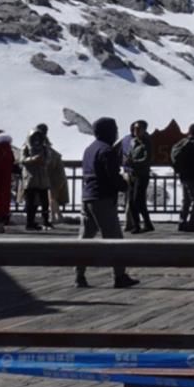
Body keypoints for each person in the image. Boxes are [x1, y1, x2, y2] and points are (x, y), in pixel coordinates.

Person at [76, 116, 137, 289]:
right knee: (114, 239)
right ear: (109, 131)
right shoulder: (107, 151)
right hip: (102, 199)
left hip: (87, 197)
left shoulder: (89, 149)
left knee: (85, 239)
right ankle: (119, 275)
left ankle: (79, 275)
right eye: (115, 128)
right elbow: (112, 176)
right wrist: (124, 184)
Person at [120, 120, 155, 234]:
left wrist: (133, 162)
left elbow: (147, 159)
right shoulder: (133, 141)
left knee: (136, 200)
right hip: (132, 174)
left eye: (138, 128)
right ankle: (146, 224)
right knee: (135, 200)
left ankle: (138, 225)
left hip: (142, 175)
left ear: (144, 130)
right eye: (135, 128)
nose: (136, 130)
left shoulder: (147, 142)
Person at [21, 125, 53, 230]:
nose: (37, 140)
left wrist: (43, 161)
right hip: (31, 178)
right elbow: (22, 160)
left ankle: (46, 221)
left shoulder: (44, 148)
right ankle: (30, 222)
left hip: (42, 178)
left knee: (45, 202)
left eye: (38, 138)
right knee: (31, 203)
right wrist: (33, 159)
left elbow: (49, 159)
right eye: (34, 138)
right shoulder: (25, 147)